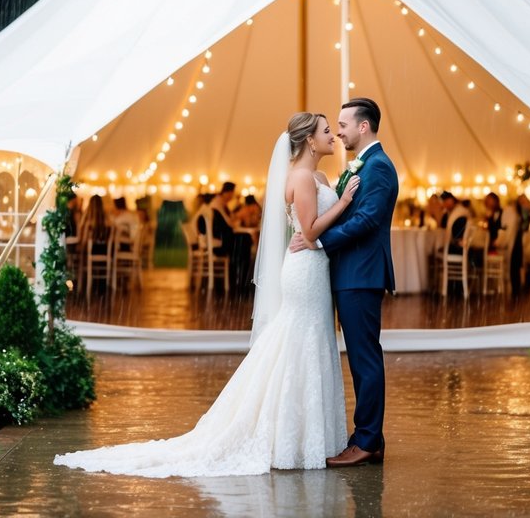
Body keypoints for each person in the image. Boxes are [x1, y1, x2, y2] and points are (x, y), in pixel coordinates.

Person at [54, 112, 359, 477]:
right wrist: (342, 204)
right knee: (299, 344)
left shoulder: (322, 177)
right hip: (305, 272)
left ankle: (312, 435)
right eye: (327, 131)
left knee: (314, 341)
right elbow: (309, 233)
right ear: (310, 139)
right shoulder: (299, 177)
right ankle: (286, 436)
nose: (333, 136)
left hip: (316, 271)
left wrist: (339, 203)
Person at [290, 97, 398, 468]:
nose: (338, 131)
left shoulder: (378, 167)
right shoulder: (362, 166)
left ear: (363, 127)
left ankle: (367, 441)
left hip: (361, 275)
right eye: (332, 127)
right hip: (349, 274)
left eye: (343, 125)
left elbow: (367, 220)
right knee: (361, 360)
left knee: (365, 360)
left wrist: (318, 240)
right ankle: (367, 437)